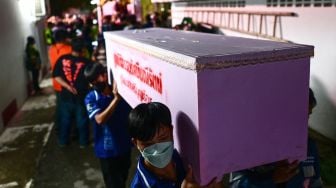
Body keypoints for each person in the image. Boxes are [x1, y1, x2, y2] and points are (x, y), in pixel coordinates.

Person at [229, 88, 323, 188]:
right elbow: (236, 184)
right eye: (297, 115)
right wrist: (271, 179)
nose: (302, 123)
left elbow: (315, 182)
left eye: (307, 116)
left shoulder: (309, 147)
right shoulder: (248, 147)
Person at [128, 102, 221, 188]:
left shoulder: (181, 157)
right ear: (136, 143)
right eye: (148, 144)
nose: (158, 149)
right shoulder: (139, 185)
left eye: (163, 138)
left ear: (171, 131)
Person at [84, 63, 132, 188]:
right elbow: (100, 119)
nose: (100, 80)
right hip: (107, 151)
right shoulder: (91, 98)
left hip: (125, 145)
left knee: (123, 178)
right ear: (91, 83)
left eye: (101, 75)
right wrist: (116, 99)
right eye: (95, 80)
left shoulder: (120, 89)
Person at [52, 39, 91, 147]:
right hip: (81, 96)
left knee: (65, 121)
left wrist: (68, 87)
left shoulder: (62, 59)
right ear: (82, 50)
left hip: (65, 96)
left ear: (71, 48)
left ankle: (63, 142)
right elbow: (91, 79)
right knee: (82, 121)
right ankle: (83, 143)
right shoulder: (87, 62)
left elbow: (56, 76)